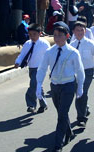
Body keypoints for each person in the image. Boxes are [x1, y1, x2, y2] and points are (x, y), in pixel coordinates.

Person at [36, 22, 85, 152]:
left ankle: (58, 144)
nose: (57, 38)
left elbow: (80, 71)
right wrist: (38, 85)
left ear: (67, 36)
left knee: (62, 115)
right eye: (55, 35)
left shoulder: (73, 52)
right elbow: (41, 69)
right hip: (55, 86)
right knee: (61, 113)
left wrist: (80, 87)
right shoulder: (49, 52)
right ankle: (69, 133)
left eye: (60, 35)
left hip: (69, 86)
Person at [70, 21, 94, 128]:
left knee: (81, 94)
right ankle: (84, 108)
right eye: (77, 30)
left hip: (87, 72)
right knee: (79, 94)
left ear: (85, 31)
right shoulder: (71, 45)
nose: (80, 32)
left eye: (82, 30)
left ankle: (81, 118)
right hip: (75, 72)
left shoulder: (90, 43)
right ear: (73, 32)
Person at [15, 24, 50, 113]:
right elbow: (22, 54)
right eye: (30, 35)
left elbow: (49, 56)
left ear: (39, 33)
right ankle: (43, 104)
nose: (32, 37)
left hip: (40, 68)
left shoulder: (44, 44)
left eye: (34, 34)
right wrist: (18, 62)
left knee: (33, 85)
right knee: (38, 87)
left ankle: (31, 104)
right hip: (31, 68)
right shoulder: (27, 43)